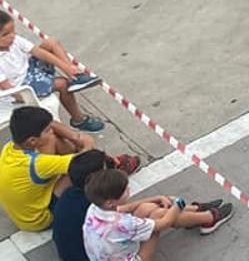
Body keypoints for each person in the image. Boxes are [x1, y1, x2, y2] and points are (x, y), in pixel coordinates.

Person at [0, 107, 140, 232]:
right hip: (40, 219)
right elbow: (86, 157)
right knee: (83, 169)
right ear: (32, 141)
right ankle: (112, 172)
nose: (51, 130)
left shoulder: (10, 147)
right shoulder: (38, 164)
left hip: (26, 211)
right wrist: (84, 142)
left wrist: (75, 138)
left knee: (54, 140)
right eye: (47, 130)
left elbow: (52, 124)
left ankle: (109, 163)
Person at [83, 168, 233, 261]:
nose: (129, 190)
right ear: (110, 202)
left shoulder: (95, 208)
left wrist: (156, 198)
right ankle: (208, 218)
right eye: (125, 190)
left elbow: (126, 208)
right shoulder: (123, 223)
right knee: (158, 215)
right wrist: (178, 203)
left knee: (146, 208)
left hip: (109, 254)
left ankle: (195, 212)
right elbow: (164, 223)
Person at [0, 12, 104, 133]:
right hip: (21, 88)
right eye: (5, 34)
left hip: (29, 70)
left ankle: (75, 76)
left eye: (13, 31)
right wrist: (30, 98)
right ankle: (79, 120)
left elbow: (38, 52)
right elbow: (9, 90)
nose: (12, 36)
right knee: (62, 84)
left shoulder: (15, 40)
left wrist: (66, 67)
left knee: (51, 43)